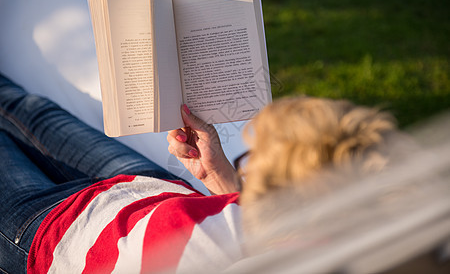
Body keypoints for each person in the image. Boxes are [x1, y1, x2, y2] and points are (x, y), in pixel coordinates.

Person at [0, 72, 399, 273]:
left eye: (251, 159)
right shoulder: (314, 221)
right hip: (144, 187)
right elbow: (252, 219)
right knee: (33, 109)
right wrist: (218, 176)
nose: (245, 167)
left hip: (52, 233)